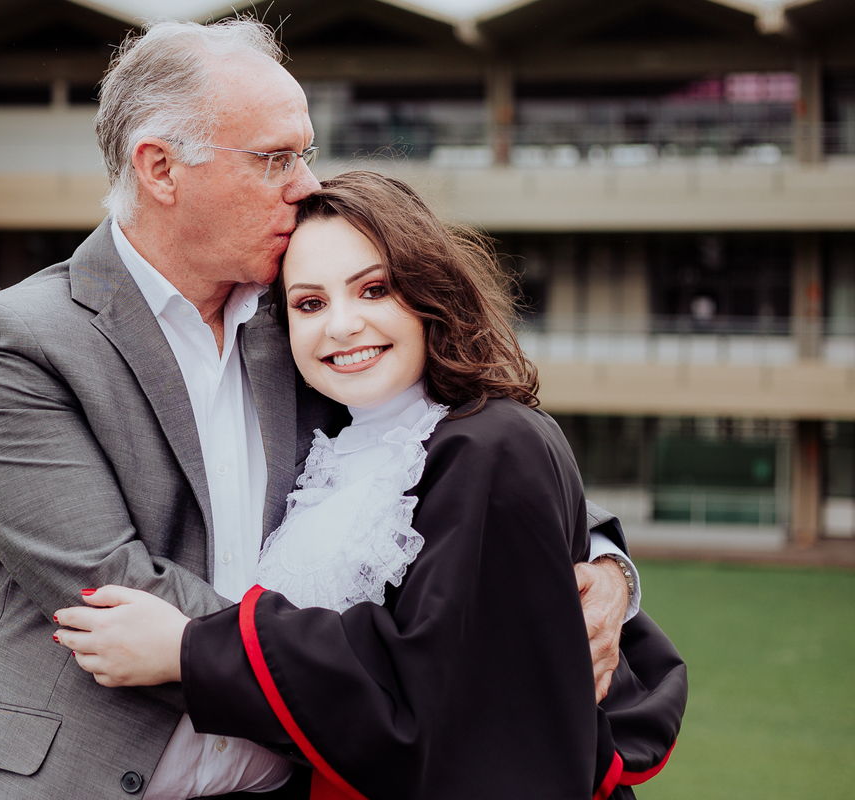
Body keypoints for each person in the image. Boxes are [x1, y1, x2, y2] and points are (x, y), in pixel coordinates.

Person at [0, 19, 639, 800]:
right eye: (274, 159)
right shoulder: (18, 342)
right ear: (161, 168)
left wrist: (600, 564)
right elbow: (114, 597)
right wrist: (404, 673)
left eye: (305, 154)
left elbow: (441, 448)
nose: (304, 184)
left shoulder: (299, 318)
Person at [53, 172, 686, 800]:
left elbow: (434, 679)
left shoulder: (495, 441)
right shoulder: (328, 446)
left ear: (428, 291)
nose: (343, 325)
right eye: (310, 303)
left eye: (374, 290)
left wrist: (189, 650)